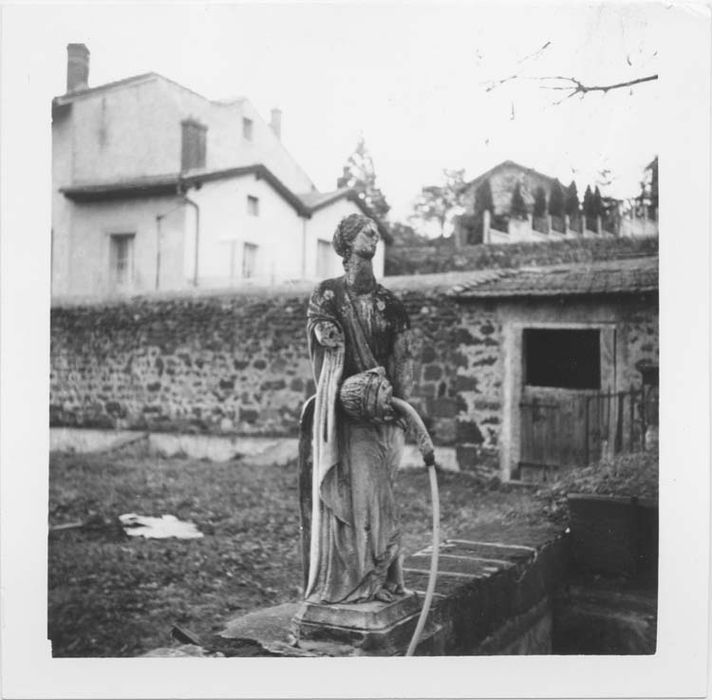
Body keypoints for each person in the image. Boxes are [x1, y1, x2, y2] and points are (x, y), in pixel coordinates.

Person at [298, 213, 413, 605]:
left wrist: (399, 410)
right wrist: (325, 334)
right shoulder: (328, 294)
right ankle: (358, 582)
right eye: (366, 230)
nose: (374, 235)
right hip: (345, 417)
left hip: (380, 415)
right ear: (348, 242)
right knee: (357, 496)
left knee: (380, 498)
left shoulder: (389, 303)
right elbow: (321, 333)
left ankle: (379, 578)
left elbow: (402, 361)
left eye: (376, 231)